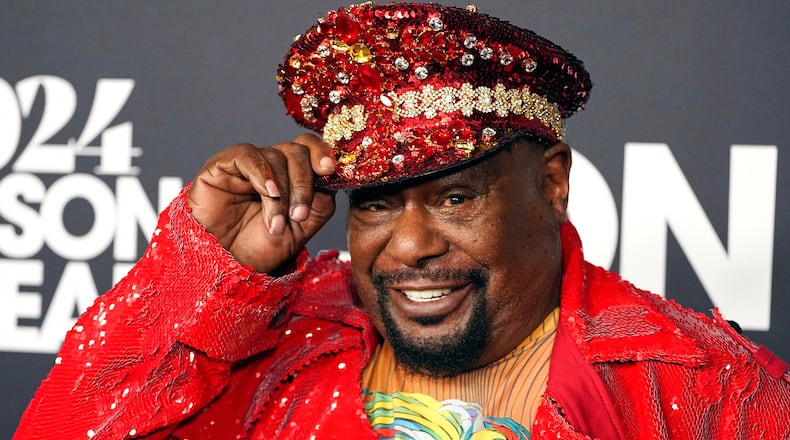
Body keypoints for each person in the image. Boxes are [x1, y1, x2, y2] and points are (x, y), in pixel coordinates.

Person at [14, 3, 790, 439]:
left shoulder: (707, 386)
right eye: (377, 203)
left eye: (455, 198)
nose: (408, 247)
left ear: (552, 185)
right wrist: (206, 277)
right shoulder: (272, 334)